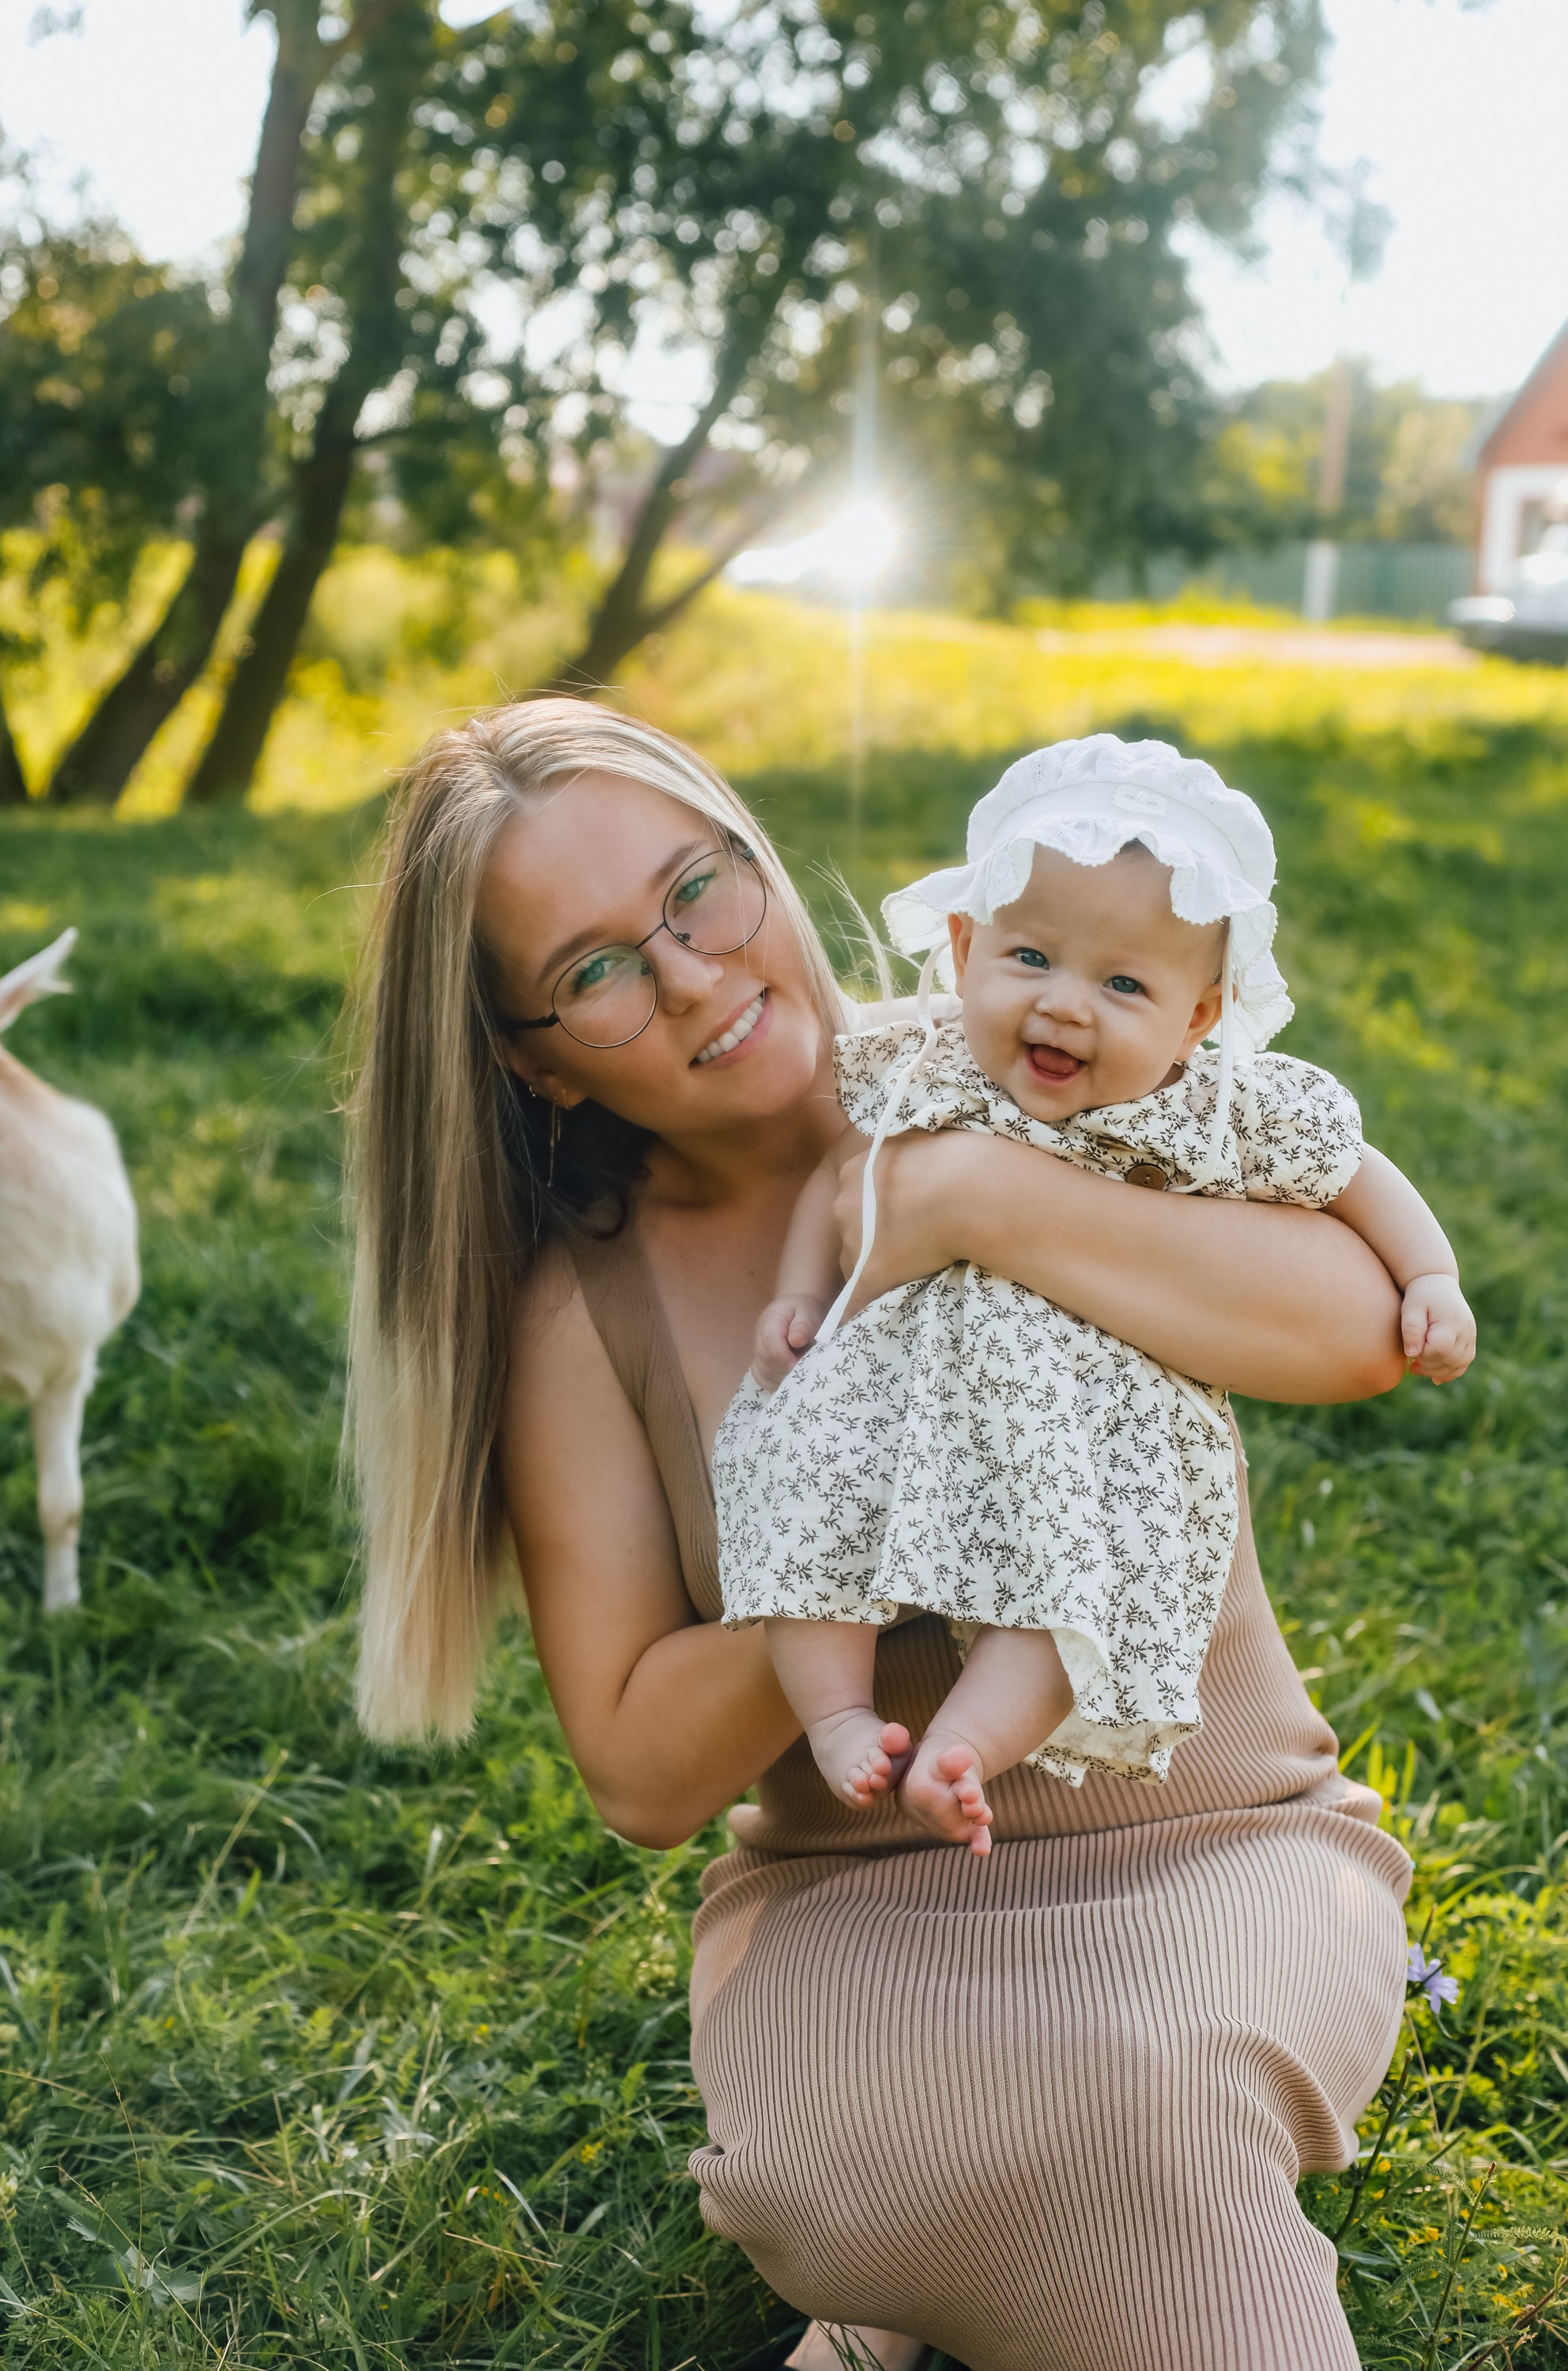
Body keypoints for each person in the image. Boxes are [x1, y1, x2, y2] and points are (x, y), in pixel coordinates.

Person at [350, 697, 1416, 2371]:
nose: (694, 973)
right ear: (525, 1051)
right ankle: (920, 2269)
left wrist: (979, 1208)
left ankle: (972, 2290)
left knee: (1140, 2102)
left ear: (755, 857)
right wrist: (870, 1526)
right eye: (598, 969)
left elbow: (1363, 1330)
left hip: (1217, 1835)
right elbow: (636, 1770)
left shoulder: (1033, 1061)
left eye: (696, 890)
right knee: (829, 2174)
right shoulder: (591, 1304)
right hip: (867, 1896)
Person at [714, 737, 1475, 1852]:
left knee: (1075, 1579)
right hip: (895, 1388)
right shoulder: (928, 1063)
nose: (1067, 1007)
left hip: (1095, 1424)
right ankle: (837, 1720)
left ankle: (968, 1745)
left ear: (1197, 1018)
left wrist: (1432, 1274)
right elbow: (846, 1175)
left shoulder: (1215, 1102)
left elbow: (1354, 1169)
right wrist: (798, 1296)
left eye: (1124, 984)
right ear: (966, 947)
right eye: (1031, 957)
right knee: (808, 1490)